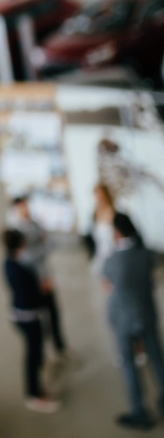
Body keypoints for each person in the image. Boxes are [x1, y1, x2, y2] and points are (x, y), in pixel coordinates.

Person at [102, 213, 164, 430]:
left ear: (117, 232)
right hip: (146, 313)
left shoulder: (112, 260)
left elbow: (107, 284)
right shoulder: (146, 253)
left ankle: (139, 412)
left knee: (129, 364)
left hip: (123, 320)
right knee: (157, 357)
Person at [2, 228, 62, 413]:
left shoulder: (9, 263)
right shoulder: (19, 269)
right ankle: (33, 395)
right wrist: (43, 291)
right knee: (32, 355)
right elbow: (29, 297)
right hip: (27, 317)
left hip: (21, 314)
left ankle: (37, 388)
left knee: (35, 353)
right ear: (21, 243)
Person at [7, 196, 67, 358]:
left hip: (45, 276)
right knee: (40, 321)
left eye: (26, 205)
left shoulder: (35, 224)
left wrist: (42, 246)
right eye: (22, 206)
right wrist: (42, 247)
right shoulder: (17, 231)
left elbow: (50, 243)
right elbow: (27, 257)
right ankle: (44, 357)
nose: (25, 209)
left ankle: (60, 349)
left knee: (54, 314)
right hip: (34, 282)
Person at [91, 183, 117, 277]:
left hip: (112, 251)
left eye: (100, 194)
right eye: (96, 194)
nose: (98, 197)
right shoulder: (95, 212)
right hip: (100, 252)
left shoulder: (111, 211)